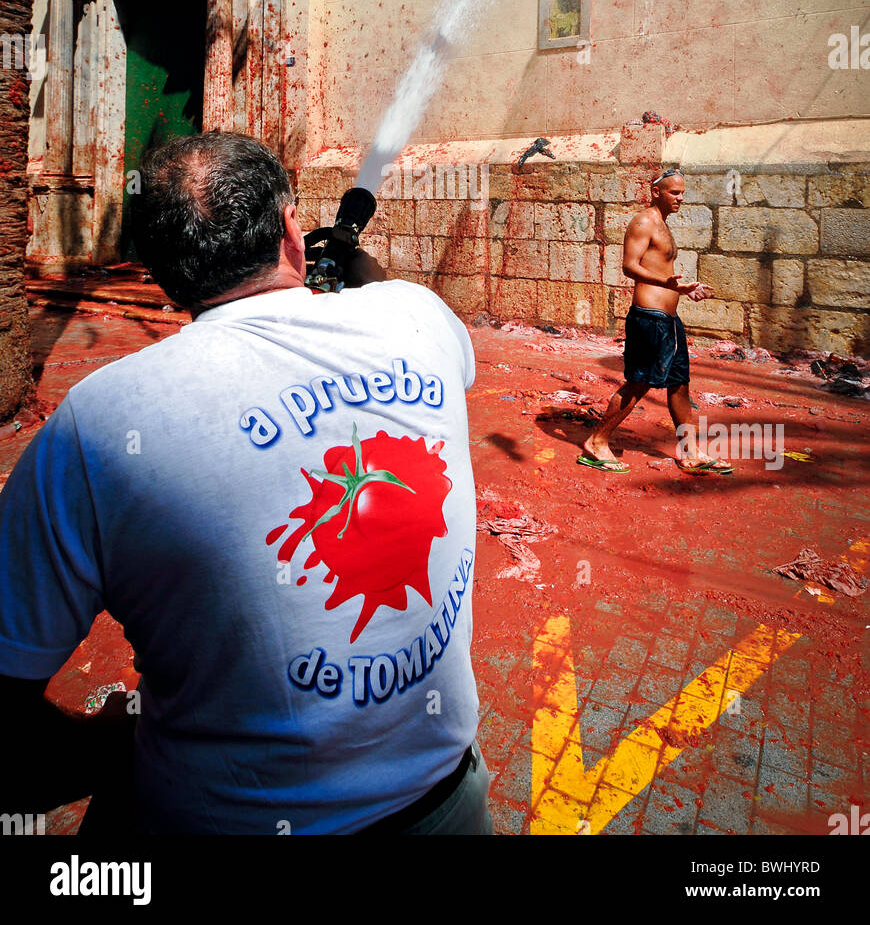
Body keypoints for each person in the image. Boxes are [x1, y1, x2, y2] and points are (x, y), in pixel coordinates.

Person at [0, 131, 492, 835]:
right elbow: (393, 302)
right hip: (444, 809)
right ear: (292, 229)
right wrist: (349, 265)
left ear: (160, 269)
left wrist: (105, 750)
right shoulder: (416, 319)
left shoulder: (99, 422)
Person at [579, 168, 731, 476]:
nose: (680, 198)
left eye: (682, 192)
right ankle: (597, 442)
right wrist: (670, 283)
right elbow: (629, 266)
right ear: (657, 192)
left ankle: (689, 451)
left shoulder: (663, 225)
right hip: (649, 319)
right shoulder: (644, 221)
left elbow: (662, 272)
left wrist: (684, 288)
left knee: (679, 385)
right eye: (675, 192)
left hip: (669, 321)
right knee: (639, 382)